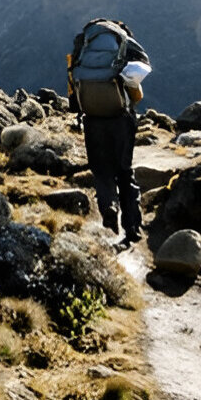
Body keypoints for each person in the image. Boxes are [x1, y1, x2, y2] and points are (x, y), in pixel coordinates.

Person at [67, 19, 150, 248]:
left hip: (92, 118)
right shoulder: (123, 39)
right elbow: (143, 65)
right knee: (125, 172)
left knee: (101, 171)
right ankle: (133, 227)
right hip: (120, 117)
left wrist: (77, 107)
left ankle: (109, 210)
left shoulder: (83, 41)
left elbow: (72, 75)